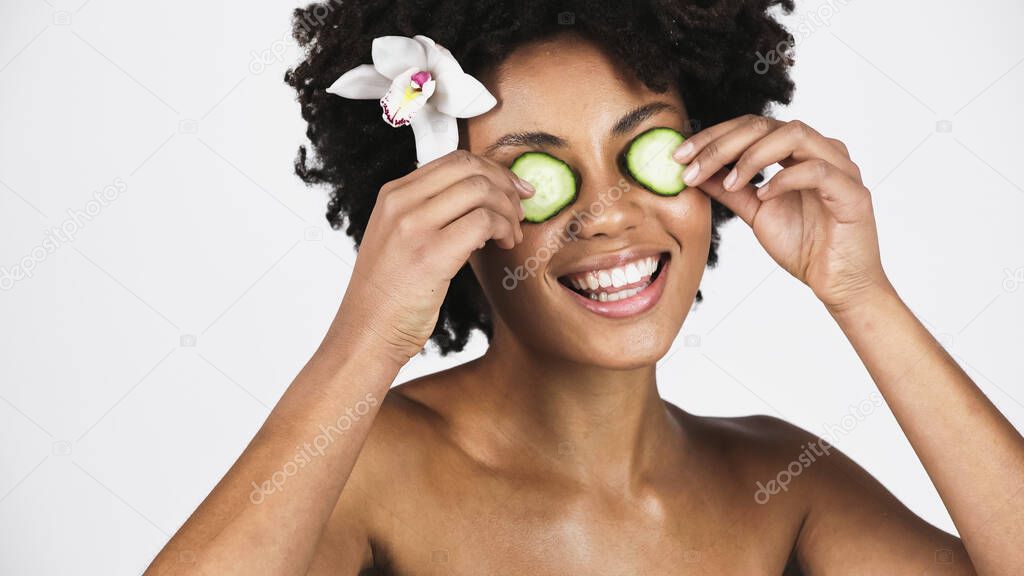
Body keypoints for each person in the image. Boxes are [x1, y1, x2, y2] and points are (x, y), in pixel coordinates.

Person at [146, 1, 1022, 574]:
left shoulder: (783, 488)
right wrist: (365, 342)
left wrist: (862, 295)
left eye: (646, 151)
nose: (607, 213)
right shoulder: (370, 469)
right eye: (537, 171)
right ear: (448, 208)